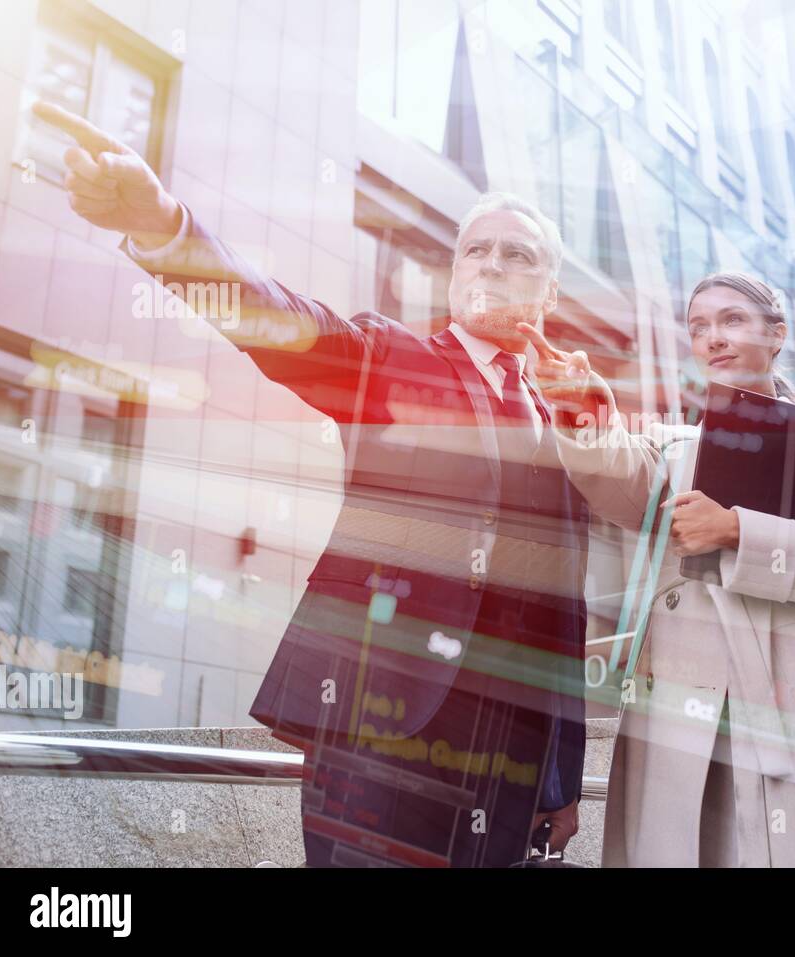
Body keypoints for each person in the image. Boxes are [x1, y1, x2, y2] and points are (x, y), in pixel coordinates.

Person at [36, 101, 589, 867]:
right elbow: (278, 319)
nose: (491, 264)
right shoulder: (395, 358)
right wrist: (167, 227)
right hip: (380, 725)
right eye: (476, 250)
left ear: (550, 295)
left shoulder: (568, 425)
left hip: (510, 759)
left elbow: (565, 611)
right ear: (456, 271)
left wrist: (561, 773)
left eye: (517, 256)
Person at [523, 271, 795, 866]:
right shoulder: (671, 448)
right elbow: (615, 470)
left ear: (778, 334)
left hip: (785, 691)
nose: (713, 338)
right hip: (679, 694)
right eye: (699, 327)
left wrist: (736, 530)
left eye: (732, 320)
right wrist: (581, 404)